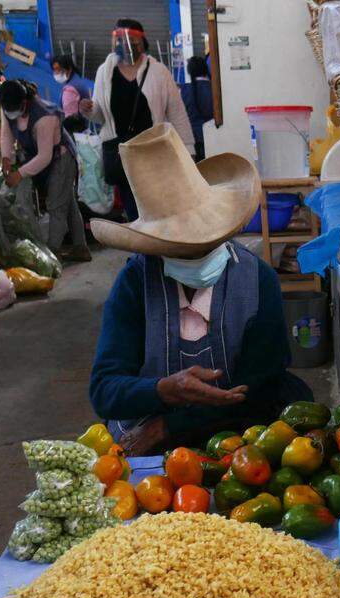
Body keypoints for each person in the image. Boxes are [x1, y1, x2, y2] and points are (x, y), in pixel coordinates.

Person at [89, 124, 311, 455]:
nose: (196, 254)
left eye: (206, 242)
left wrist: (171, 426)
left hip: (235, 431)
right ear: (156, 247)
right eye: (180, 248)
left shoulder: (257, 280)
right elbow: (104, 390)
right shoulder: (135, 284)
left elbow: (261, 388)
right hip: (146, 432)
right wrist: (162, 390)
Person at [80, 18, 194, 221]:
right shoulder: (105, 73)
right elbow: (100, 117)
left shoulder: (159, 72)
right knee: (134, 211)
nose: (127, 44)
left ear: (142, 42)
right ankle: (149, 252)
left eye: (132, 40)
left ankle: (154, 249)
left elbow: (177, 112)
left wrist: (188, 151)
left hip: (152, 152)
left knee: (156, 206)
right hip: (121, 153)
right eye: (121, 40)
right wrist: (89, 110)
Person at [0, 79, 91, 263]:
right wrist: (6, 157)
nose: (11, 114)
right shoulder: (8, 107)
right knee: (67, 203)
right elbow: (6, 133)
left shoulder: (44, 116)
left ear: (24, 102)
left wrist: (20, 174)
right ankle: (81, 248)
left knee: (56, 206)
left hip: (61, 157)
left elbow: (44, 156)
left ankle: (52, 256)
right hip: (43, 157)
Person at [180, 54, 214, 160]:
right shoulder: (214, 89)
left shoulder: (184, 90)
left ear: (189, 71)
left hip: (191, 140)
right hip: (212, 138)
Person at [51, 54, 91, 133]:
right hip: (83, 129)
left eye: (58, 69)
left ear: (69, 69)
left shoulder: (70, 90)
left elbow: (70, 120)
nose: (56, 72)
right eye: (54, 69)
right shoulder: (77, 80)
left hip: (76, 132)